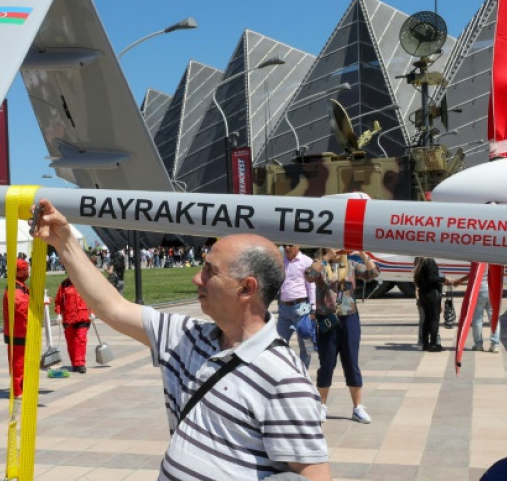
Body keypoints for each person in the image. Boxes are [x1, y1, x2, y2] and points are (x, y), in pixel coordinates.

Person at [33, 199, 331, 481]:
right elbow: (113, 307)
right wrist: (64, 241)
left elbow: (313, 474)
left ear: (246, 288)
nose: (197, 279)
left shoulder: (284, 378)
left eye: (210, 271)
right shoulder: (187, 336)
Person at [307, 248, 378, 424]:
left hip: (349, 317)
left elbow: (373, 273)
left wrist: (363, 255)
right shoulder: (321, 266)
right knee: (326, 362)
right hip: (327, 318)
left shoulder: (352, 266)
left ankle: (358, 407)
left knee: (351, 362)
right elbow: (309, 275)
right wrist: (326, 258)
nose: (336, 250)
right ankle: (322, 406)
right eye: (332, 247)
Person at [277, 244, 316, 369]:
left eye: (290, 245)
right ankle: (284, 371)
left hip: (301, 306)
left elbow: (311, 286)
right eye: (285, 246)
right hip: (284, 308)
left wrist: (313, 308)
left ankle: (303, 371)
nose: (287, 248)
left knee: (306, 343)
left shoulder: (306, 261)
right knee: (279, 344)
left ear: (298, 246)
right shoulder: (281, 262)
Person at [2, 259, 31, 397]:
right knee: (18, 363)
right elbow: (20, 307)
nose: (28, 272)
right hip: (18, 332)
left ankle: (21, 388)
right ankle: (18, 390)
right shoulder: (15, 288)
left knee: (22, 362)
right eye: (25, 270)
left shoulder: (21, 286)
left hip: (21, 330)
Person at [452, 271, 500, 352]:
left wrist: (460, 280)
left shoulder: (479, 259)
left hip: (480, 289)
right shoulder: (497, 258)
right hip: (493, 288)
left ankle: (478, 344)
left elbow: (473, 273)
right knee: (494, 318)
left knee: (477, 318)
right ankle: (495, 344)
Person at [55, 276, 91, 373]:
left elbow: (93, 299)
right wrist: (59, 314)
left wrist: (93, 312)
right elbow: (58, 302)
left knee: (81, 339)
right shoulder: (64, 285)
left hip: (82, 316)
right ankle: (75, 363)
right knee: (71, 342)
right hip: (68, 317)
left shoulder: (85, 283)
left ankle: (80, 363)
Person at [413, 257, 447, 352]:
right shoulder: (430, 262)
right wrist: (444, 279)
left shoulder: (420, 262)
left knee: (427, 319)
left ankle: (425, 343)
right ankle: (433, 344)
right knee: (434, 319)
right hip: (432, 294)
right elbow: (431, 278)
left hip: (423, 294)